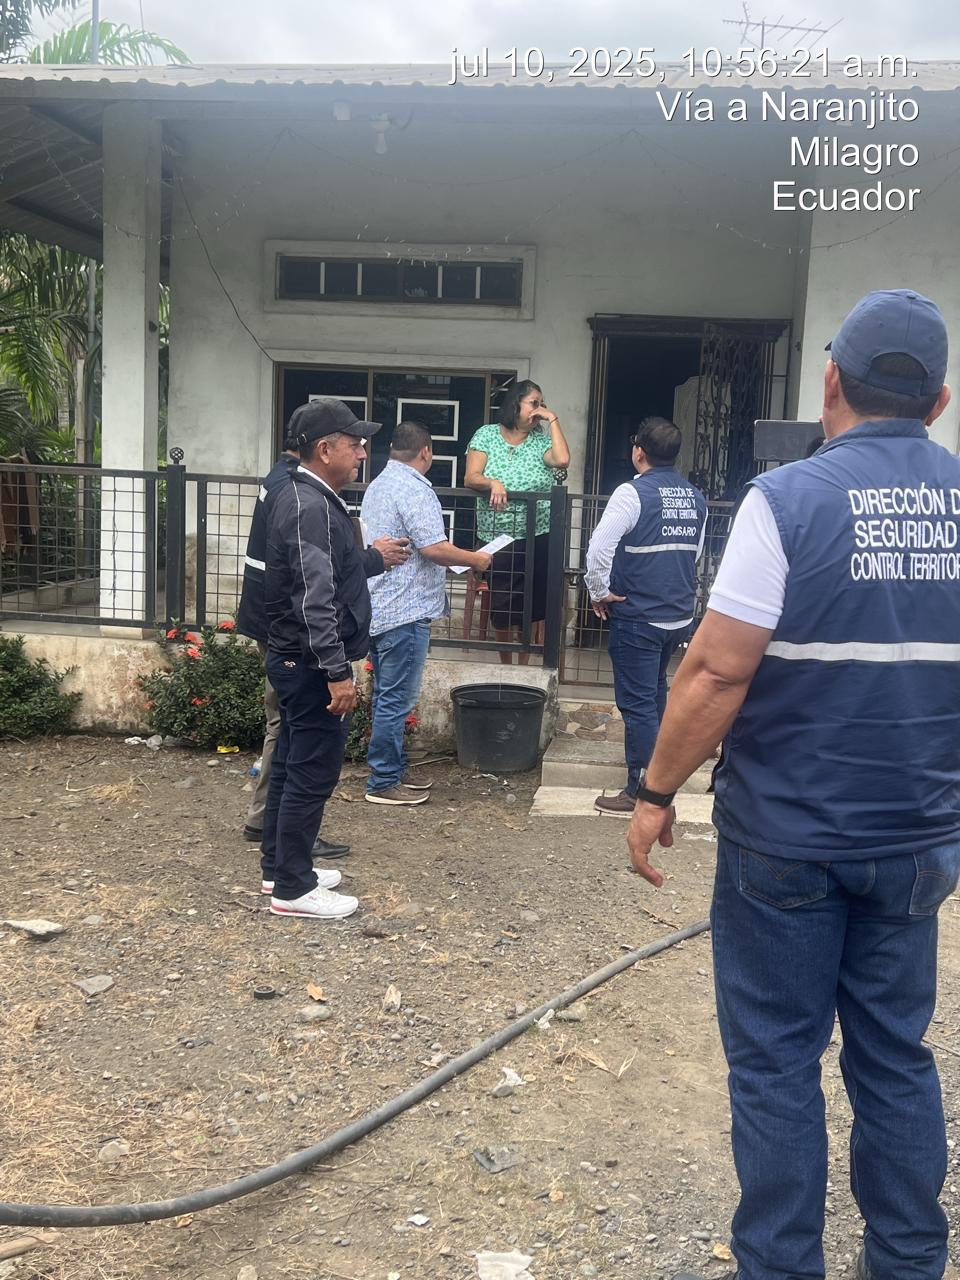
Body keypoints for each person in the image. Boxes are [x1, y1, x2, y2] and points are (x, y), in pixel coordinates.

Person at [626, 289, 960, 1280]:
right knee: (894, 1054)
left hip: (787, 841)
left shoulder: (786, 501)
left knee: (776, 1061)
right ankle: (909, 1262)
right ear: (939, 401)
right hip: (915, 838)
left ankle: (779, 1265)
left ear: (830, 382)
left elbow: (714, 673)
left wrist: (657, 791)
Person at [260, 398, 407, 921]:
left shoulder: (312, 499)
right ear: (325, 450)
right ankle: (293, 888)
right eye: (355, 444)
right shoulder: (310, 506)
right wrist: (337, 671)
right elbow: (314, 598)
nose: (363, 453)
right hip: (310, 663)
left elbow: (334, 576)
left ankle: (281, 867)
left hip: (298, 659)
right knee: (311, 774)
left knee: (290, 766)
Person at [360, 421, 493, 805]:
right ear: (426, 451)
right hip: (405, 609)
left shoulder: (378, 484)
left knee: (387, 695)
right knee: (396, 700)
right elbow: (434, 547)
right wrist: (476, 559)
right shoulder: (414, 488)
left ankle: (392, 771)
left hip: (379, 604)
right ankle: (384, 781)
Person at [584, 417, 705, 815]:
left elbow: (598, 548)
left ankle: (644, 792)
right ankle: (659, 780)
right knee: (654, 695)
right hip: (677, 616)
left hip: (638, 617)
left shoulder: (631, 493)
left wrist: (599, 591)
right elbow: (694, 554)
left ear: (639, 451)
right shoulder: (695, 497)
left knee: (638, 705)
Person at [464, 380, 570, 663]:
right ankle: (506, 663)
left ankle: (524, 664)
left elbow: (562, 460)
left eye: (542, 404)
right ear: (515, 404)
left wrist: (552, 419)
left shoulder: (541, 441)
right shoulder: (486, 435)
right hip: (498, 535)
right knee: (503, 606)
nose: (539, 409)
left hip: (538, 533)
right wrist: (492, 483)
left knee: (532, 605)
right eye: (534, 403)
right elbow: (471, 477)